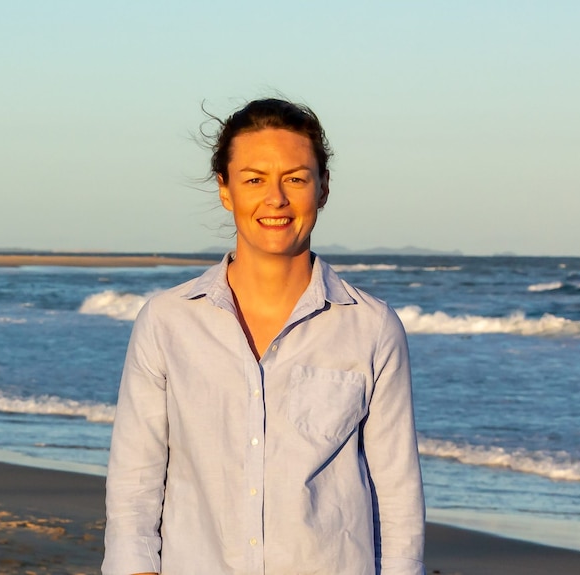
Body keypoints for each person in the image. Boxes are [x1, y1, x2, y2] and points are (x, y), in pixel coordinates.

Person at [102, 98, 425, 575]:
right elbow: (135, 486)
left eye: (295, 178)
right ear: (226, 190)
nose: (275, 198)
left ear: (323, 188)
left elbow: (398, 496)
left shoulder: (371, 327)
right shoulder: (167, 322)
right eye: (254, 179)